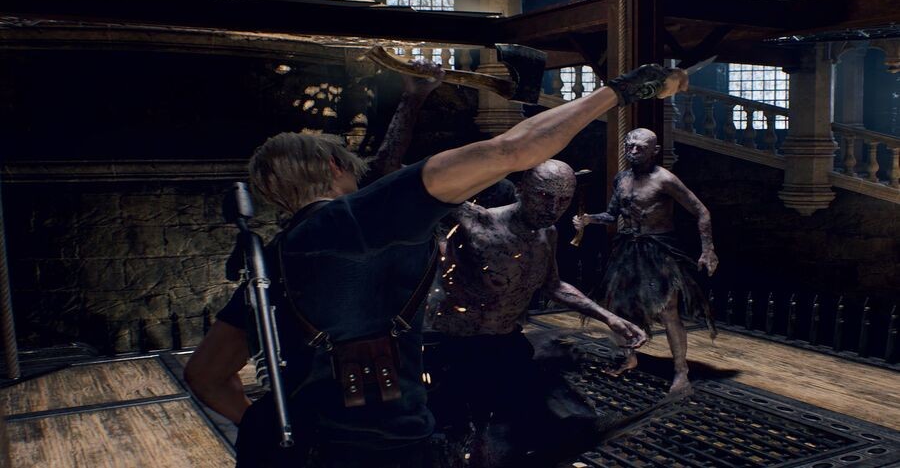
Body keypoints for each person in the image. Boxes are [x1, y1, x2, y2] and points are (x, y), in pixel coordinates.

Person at [184, 58, 688, 467]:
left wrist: (277, 431)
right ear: (336, 165)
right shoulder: (367, 215)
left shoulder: (274, 256)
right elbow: (514, 148)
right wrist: (624, 90)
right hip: (393, 452)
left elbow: (205, 375)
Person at [424, 158, 648, 467]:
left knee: (530, 427)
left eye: (563, 200)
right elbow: (418, 185)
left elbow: (553, 285)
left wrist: (609, 317)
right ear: (520, 189)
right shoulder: (478, 223)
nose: (553, 208)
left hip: (504, 343)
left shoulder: (547, 234)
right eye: (544, 196)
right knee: (450, 435)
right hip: (454, 346)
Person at [572, 127, 718, 395]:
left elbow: (702, 211)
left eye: (640, 148)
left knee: (667, 310)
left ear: (654, 151)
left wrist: (708, 249)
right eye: (630, 146)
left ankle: (681, 371)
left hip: (658, 249)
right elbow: (612, 215)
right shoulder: (622, 179)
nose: (633, 151)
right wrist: (589, 219)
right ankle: (629, 357)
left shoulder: (665, 179)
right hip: (628, 247)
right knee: (618, 305)